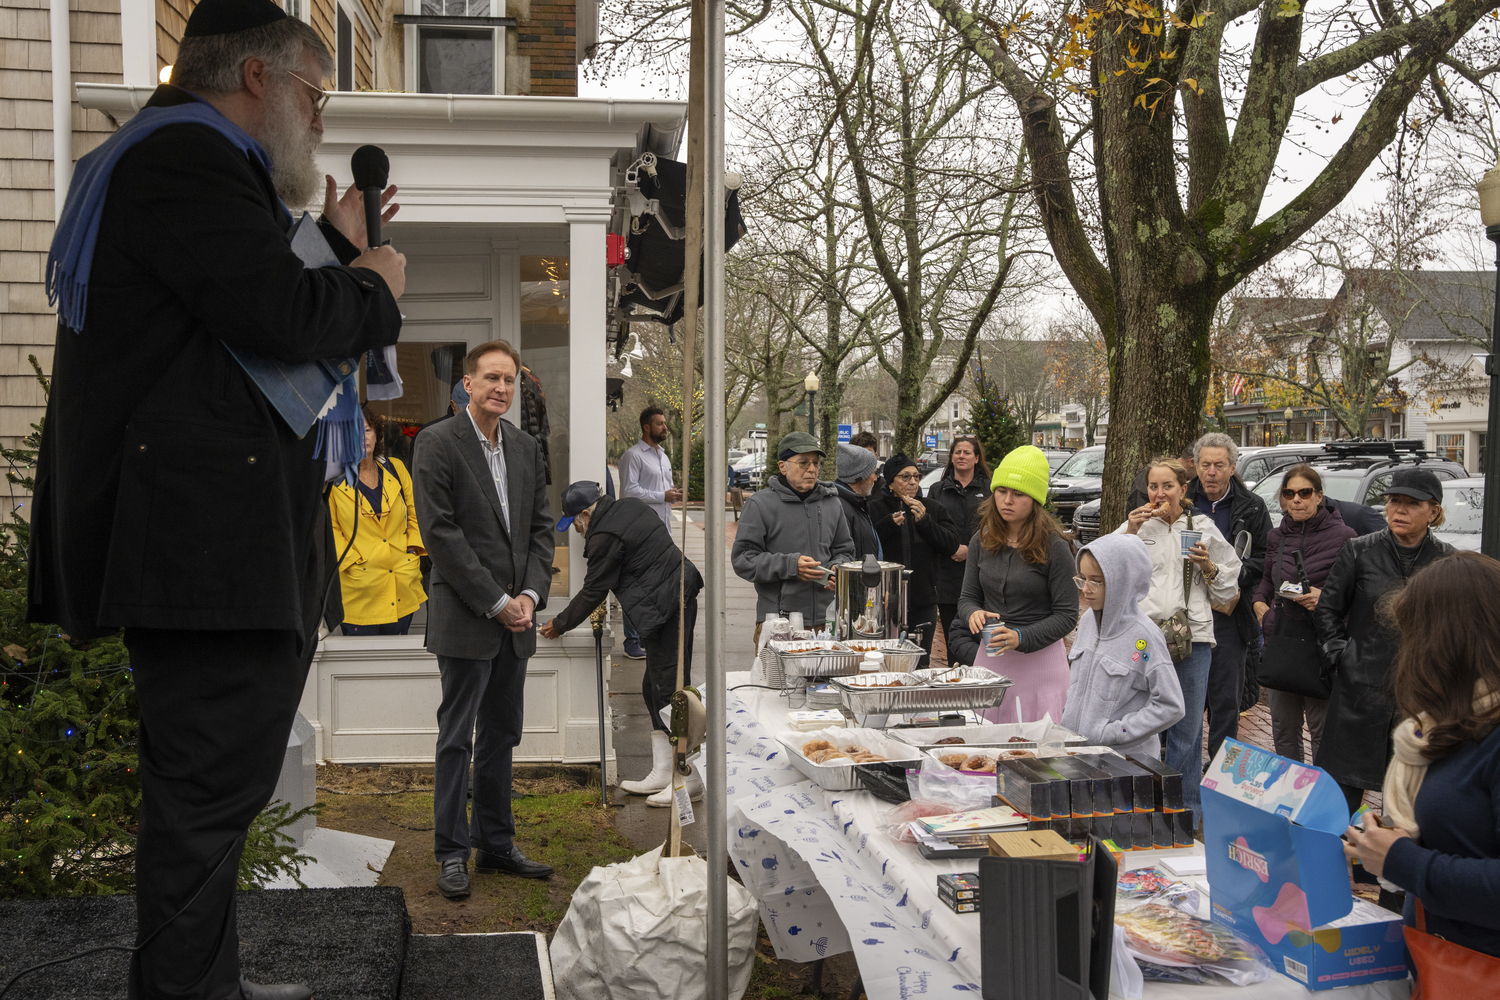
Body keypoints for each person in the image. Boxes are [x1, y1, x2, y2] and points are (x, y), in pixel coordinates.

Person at [26, 0, 404, 994]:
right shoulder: (182, 161)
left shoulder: (177, 164)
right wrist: (371, 281)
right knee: (202, 806)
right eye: (314, 93)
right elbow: (281, 316)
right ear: (256, 80)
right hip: (205, 555)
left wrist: (327, 239)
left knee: (206, 804)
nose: (320, 119)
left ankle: (205, 984)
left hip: (206, 550)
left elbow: (229, 317)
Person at [413, 339, 557, 899]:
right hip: (469, 618)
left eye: (511, 379)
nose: (502, 387)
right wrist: (496, 602)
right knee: (457, 739)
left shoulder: (525, 448)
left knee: (502, 735)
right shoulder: (437, 443)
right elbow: (440, 534)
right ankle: (451, 852)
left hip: (517, 619)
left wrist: (529, 595)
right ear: (467, 384)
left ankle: (495, 845)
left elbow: (541, 530)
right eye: (492, 377)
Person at [1342, 552, 1500, 962]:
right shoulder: (1449, 724)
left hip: (1476, 971)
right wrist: (1369, 853)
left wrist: (1401, 860)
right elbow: (1456, 839)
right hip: (1439, 956)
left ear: (1451, 641)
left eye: (1414, 634)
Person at [540, 482, 704, 805]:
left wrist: (559, 624)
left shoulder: (605, 536)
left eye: (574, 521)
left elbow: (593, 591)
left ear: (586, 514)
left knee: (671, 693)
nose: (575, 530)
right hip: (675, 598)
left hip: (668, 607)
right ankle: (662, 769)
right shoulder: (628, 508)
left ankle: (689, 779)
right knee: (652, 689)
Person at [1315, 467, 1455, 812]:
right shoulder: (1359, 551)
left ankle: (1393, 863)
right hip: (1358, 691)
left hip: (1419, 696)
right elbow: (1327, 610)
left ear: (1433, 511)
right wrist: (1340, 655)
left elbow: (1457, 625)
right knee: (1339, 799)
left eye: (1411, 503)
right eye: (1394, 502)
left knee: (1408, 798)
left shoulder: (1446, 561)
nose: (1399, 510)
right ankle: (1335, 863)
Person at [1114, 457, 1241, 816]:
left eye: (1167, 486)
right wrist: (1129, 533)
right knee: (1136, 718)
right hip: (1144, 637)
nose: (1159, 494)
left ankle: (1185, 810)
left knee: (1187, 727)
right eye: (1153, 486)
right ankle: (1138, 804)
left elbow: (1230, 582)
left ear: (1182, 490)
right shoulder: (1138, 526)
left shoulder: (1201, 526)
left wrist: (1207, 566)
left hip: (1193, 637)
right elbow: (1105, 567)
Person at [948, 446, 1079, 721]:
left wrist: (1021, 637)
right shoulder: (980, 540)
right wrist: (973, 613)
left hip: (1041, 668)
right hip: (990, 665)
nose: (1007, 500)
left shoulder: (1055, 546)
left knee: (1037, 758)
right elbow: (966, 598)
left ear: (1035, 499)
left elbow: (1067, 615)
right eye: (1001, 491)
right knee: (985, 754)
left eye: (1018, 494)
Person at [1250, 465, 1355, 762]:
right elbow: (1266, 583)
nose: (1297, 500)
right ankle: (1288, 797)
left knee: (1322, 733)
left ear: (1319, 496)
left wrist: (1326, 598)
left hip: (1320, 646)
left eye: (1304, 493)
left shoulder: (1345, 537)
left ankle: (1323, 801)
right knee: (1283, 730)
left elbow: (1355, 595)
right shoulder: (1276, 537)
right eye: (1289, 493)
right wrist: (1261, 607)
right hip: (1282, 643)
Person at [1185, 432, 1270, 762]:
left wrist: (1231, 576)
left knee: (1225, 701)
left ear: (1233, 467)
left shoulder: (1252, 507)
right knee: (1184, 698)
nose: (1211, 472)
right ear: (1195, 465)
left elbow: (1263, 557)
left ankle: (1221, 770)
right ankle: (1184, 770)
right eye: (1205, 464)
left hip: (1229, 617)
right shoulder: (1182, 502)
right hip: (1186, 615)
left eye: (1219, 465)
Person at [1062, 534, 1185, 759]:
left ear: (1123, 582)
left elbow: (1171, 705)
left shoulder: (1144, 639)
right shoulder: (1088, 620)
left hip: (1123, 766)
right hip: (1078, 756)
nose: (1085, 589)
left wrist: (1117, 732)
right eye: (1082, 579)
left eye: (1096, 581)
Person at [731, 431, 855, 646]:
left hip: (827, 624)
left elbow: (845, 551)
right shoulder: (760, 505)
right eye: (803, 463)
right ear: (783, 466)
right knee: (776, 681)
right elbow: (743, 560)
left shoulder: (832, 503)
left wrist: (838, 568)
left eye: (815, 463)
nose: (812, 469)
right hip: (777, 623)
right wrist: (791, 565)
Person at [330, 409, 427, 635]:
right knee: (361, 666)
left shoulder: (395, 468)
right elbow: (330, 529)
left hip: (401, 585)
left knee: (396, 665)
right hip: (359, 590)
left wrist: (412, 552)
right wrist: (354, 563)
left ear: (376, 435)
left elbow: (416, 513)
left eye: (366, 430)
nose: (362, 437)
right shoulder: (333, 481)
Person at [870, 453, 960, 665]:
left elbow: (951, 545)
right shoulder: (874, 508)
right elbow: (866, 547)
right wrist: (887, 525)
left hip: (923, 598)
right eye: (905, 477)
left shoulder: (933, 508)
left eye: (916, 477)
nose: (912, 482)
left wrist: (925, 522)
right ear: (890, 483)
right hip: (885, 600)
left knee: (920, 661)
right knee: (884, 661)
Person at [615, 406, 681, 659]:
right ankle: (632, 641)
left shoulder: (663, 456)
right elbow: (629, 492)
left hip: (662, 531)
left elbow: (660, 492)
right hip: (640, 533)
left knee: (657, 587)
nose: (665, 427)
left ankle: (648, 636)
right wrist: (661, 496)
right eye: (660, 423)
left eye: (664, 423)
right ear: (646, 427)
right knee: (637, 587)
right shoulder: (633, 456)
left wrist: (670, 495)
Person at [928, 436, 992, 642]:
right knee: (953, 640)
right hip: (947, 577)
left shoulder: (990, 490)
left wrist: (971, 550)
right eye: (957, 452)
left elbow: (995, 528)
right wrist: (950, 548)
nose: (961, 456)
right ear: (951, 457)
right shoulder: (937, 490)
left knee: (980, 641)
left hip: (982, 574)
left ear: (976, 458)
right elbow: (930, 528)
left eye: (966, 452)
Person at [832, 442, 882, 561]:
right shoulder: (841, 507)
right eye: (873, 473)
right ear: (860, 477)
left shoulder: (856, 503)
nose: (876, 478)